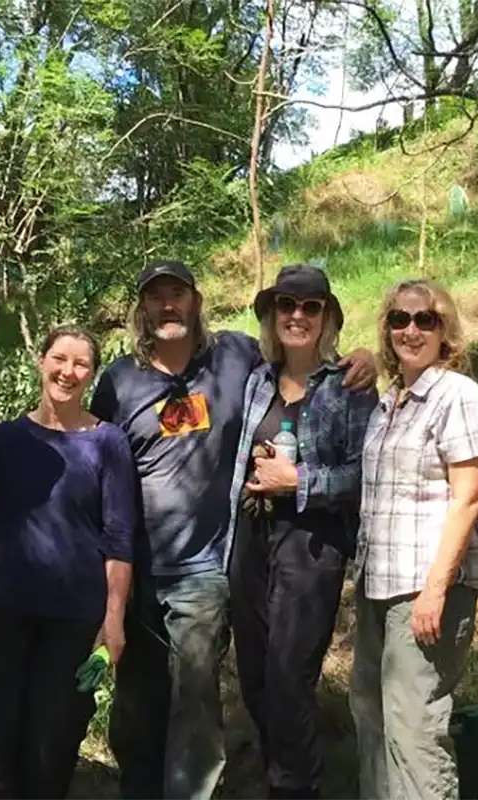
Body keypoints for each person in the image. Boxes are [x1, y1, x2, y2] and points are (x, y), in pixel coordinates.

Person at [89, 260, 376, 800]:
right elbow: (100, 463)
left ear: (196, 302)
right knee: (138, 699)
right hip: (140, 565)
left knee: (197, 696)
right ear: (142, 309)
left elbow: (315, 364)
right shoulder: (120, 380)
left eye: (178, 294)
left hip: (208, 566)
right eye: (157, 296)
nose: (168, 305)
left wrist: (366, 357)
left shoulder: (233, 355)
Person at [0, 325, 138, 800]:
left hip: (73, 620)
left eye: (81, 364)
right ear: (41, 361)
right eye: (60, 359)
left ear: (92, 375)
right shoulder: (5, 439)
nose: (68, 371)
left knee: (51, 746)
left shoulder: (108, 443)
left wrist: (114, 618)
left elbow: (120, 538)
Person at [225, 266, 378, 800]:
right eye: (286, 304)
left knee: (290, 680)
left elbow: (367, 474)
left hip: (311, 546)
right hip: (250, 537)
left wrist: (298, 481)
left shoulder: (349, 387)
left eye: (310, 307)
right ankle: (277, 774)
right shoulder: (255, 380)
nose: (297, 315)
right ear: (271, 315)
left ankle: (297, 787)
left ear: (326, 318)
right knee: (256, 677)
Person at [349, 278, 478, 800]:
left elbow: (469, 497)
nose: (410, 330)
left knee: (413, 729)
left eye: (425, 320)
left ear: (445, 331)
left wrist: (436, 589)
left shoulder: (457, 396)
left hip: (425, 588)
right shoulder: (393, 400)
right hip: (378, 582)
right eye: (398, 319)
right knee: (371, 714)